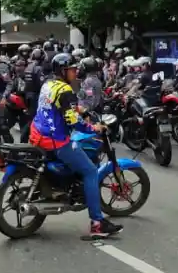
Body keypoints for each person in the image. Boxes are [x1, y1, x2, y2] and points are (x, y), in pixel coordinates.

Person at [29, 53, 123, 238]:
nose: (74, 72)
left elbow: (60, 107)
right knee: (90, 171)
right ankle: (97, 223)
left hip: (38, 135)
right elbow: (74, 122)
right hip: (56, 140)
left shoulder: (48, 85)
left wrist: (79, 109)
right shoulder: (65, 90)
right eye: (71, 69)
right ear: (62, 71)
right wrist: (93, 128)